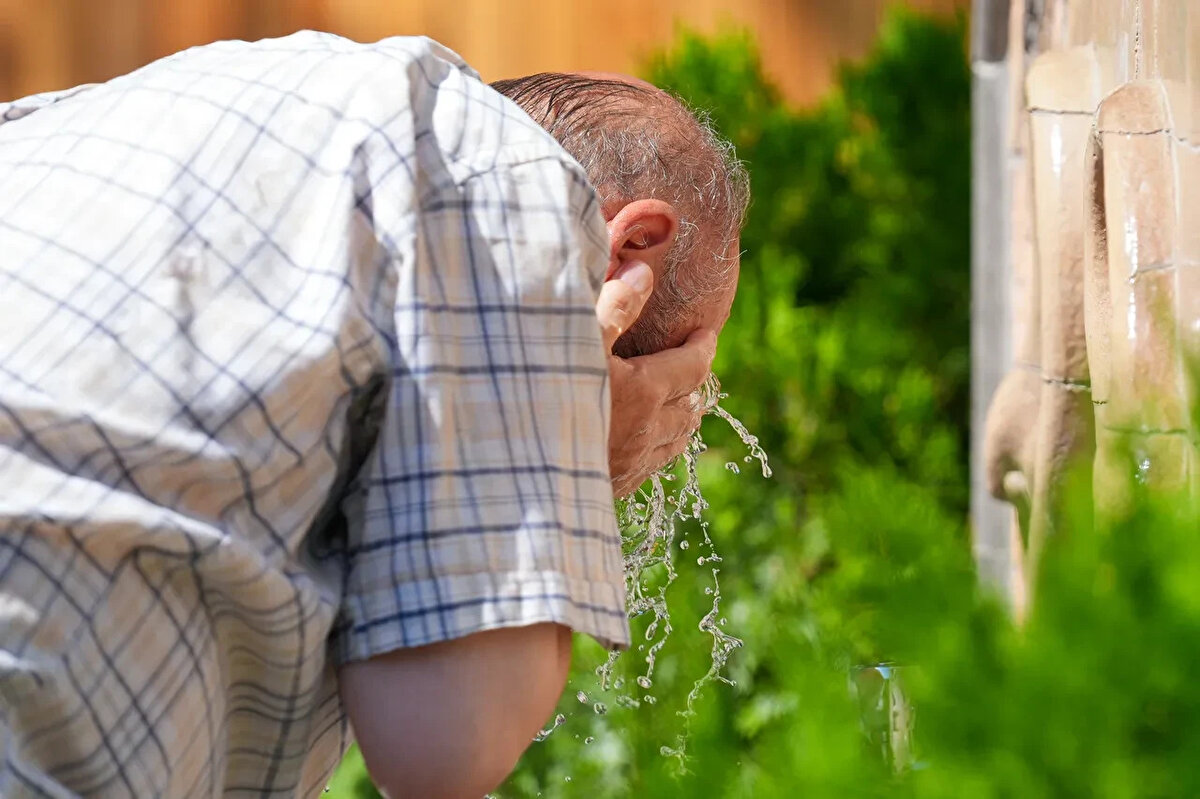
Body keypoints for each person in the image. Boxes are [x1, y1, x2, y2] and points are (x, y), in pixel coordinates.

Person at [0, 31, 748, 799]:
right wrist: (577, 449)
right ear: (629, 253)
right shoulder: (522, 197)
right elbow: (443, 747)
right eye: (668, 382)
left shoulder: (169, 106)